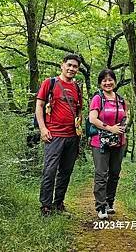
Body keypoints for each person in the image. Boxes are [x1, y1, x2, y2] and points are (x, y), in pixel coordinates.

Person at [36, 54, 83, 216]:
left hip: (72, 136)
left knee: (66, 171)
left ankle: (58, 204)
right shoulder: (50, 83)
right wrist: (43, 129)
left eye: (75, 67)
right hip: (53, 134)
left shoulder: (77, 87)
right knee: (50, 170)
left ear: (78, 69)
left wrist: (79, 128)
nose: (71, 69)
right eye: (69, 65)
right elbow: (39, 106)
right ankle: (45, 206)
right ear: (62, 65)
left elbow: (79, 110)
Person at [88, 69, 129, 220]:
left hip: (119, 142)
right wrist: (110, 128)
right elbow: (92, 118)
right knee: (101, 173)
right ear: (100, 83)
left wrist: (124, 125)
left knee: (114, 173)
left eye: (110, 79)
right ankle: (100, 206)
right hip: (100, 143)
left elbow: (126, 116)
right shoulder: (98, 98)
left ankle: (109, 202)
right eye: (104, 80)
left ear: (115, 81)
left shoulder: (121, 99)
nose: (107, 82)